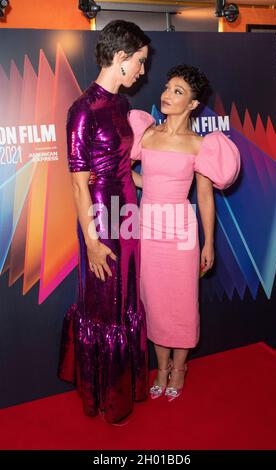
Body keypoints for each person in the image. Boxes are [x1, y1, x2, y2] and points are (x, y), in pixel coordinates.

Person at [128, 64, 240, 401]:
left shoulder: (200, 144)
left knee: (181, 303)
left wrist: (210, 242)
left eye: (178, 91)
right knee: (155, 302)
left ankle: (179, 368)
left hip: (181, 232)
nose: (167, 95)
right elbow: (133, 175)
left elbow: (205, 196)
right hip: (147, 227)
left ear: (192, 104)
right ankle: (160, 369)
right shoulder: (146, 133)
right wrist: (143, 184)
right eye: (167, 87)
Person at [58, 20, 151, 423]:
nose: (144, 72)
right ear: (120, 58)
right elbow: (79, 186)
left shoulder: (120, 105)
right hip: (99, 215)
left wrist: (153, 183)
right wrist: (93, 242)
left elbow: (120, 165)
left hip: (127, 208)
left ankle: (125, 387)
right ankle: (105, 396)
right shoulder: (82, 110)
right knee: (105, 304)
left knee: (128, 295)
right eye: (140, 62)